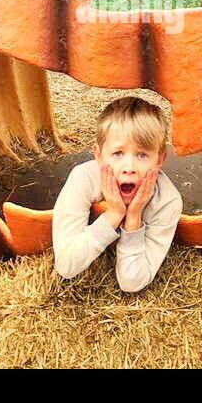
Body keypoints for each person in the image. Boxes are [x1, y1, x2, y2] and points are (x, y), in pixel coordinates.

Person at [52, 96, 183, 293]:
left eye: (142, 155)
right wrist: (113, 214)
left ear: (160, 159)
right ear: (98, 155)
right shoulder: (84, 179)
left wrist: (133, 218)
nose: (128, 168)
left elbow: (132, 283)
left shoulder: (167, 202)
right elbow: (66, 265)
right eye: (118, 154)